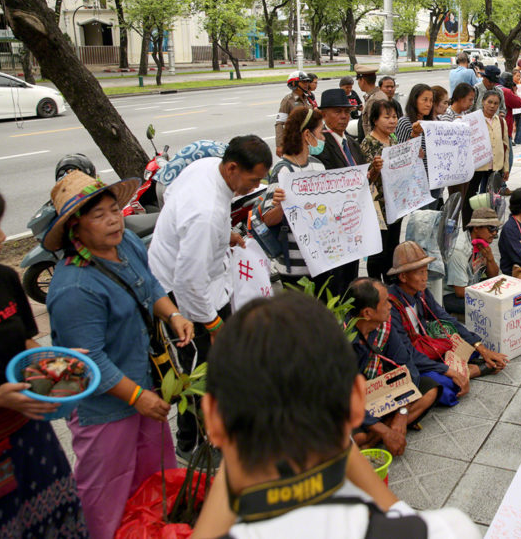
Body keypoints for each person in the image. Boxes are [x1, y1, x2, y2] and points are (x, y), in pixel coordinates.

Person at [194, 292, 481, 538]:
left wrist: (235, 447)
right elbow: (397, 513)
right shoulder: (450, 530)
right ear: (357, 400)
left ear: (214, 422)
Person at [45, 173, 194, 537]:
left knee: (154, 479)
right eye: (100, 215)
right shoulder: (75, 288)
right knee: (105, 494)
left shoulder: (126, 242)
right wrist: (137, 397)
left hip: (144, 385)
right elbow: (90, 359)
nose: (114, 220)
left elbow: (149, 283)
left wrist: (171, 314)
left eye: (115, 210)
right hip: (104, 406)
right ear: (75, 229)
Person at [150, 135, 271, 458]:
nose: (255, 186)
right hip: (185, 298)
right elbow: (189, 283)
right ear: (232, 167)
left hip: (202, 279)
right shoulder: (205, 213)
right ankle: (193, 443)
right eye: (253, 179)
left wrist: (223, 236)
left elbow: (175, 201)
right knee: (200, 372)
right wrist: (215, 325)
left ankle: (222, 426)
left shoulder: (207, 167)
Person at [0, 187, 88, 538]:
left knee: (55, 514)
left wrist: (60, 364)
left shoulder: (3, 279)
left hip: (30, 429)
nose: (1, 237)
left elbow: (26, 345)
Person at [386, 242, 508, 393]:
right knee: (442, 387)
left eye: (426, 272)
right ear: (403, 277)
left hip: (427, 344)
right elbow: (406, 353)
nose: (425, 278)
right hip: (410, 357)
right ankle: (473, 370)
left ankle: (469, 368)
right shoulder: (390, 307)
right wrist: (448, 370)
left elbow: (445, 318)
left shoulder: (420, 292)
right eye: (420, 273)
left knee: (472, 349)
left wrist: (480, 347)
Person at [347, 278, 439, 456]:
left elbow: (409, 368)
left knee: (430, 390)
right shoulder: (342, 339)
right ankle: (381, 435)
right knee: (355, 435)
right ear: (367, 312)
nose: (390, 305)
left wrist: (402, 412)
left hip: (379, 393)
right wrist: (385, 430)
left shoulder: (383, 327)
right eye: (386, 302)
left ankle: (374, 438)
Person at [309, 88, 378, 299]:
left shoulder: (350, 142)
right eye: (338, 112)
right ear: (323, 114)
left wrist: (374, 170)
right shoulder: (320, 146)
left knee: (351, 279)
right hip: (332, 226)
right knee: (334, 283)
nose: (344, 116)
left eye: (347, 112)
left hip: (352, 223)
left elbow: (364, 180)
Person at [258, 107, 327, 287]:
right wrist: (283, 206)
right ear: (307, 134)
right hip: (295, 269)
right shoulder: (283, 170)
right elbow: (268, 219)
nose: (323, 137)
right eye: (320, 131)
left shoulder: (318, 165)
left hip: (321, 262)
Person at [360, 99, 401, 284]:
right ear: (375, 120)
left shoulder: (394, 139)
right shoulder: (368, 143)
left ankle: (391, 285)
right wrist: (375, 169)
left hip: (395, 205)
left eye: (394, 116)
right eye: (387, 117)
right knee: (378, 251)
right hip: (378, 207)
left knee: (393, 248)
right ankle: (376, 285)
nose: (392, 121)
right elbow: (365, 179)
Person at [443, 209, 501, 316]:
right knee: (491, 308)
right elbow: (460, 292)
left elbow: (494, 275)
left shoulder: (482, 243)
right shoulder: (459, 251)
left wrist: (490, 258)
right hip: (451, 295)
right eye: (491, 228)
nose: (494, 233)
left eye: (496, 229)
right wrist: (488, 296)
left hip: (471, 285)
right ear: (476, 228)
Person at [465, 90, 510, 206]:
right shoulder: (473, 121)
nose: (492, 106)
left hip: (495, 166)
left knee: (492, 198)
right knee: (471, 196)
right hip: (478, 167)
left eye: (496, 103)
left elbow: (505, 145)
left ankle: (490, 222)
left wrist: (506, 168)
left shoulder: (501, 121)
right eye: (489, 102)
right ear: (483, 101)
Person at [275, 71, 317, 155]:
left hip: (309, 139)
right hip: (296, 141)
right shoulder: (287, 101)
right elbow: (280, 123)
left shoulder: (308, 99)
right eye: (303, 82)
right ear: (294, 83)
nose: (306, 84)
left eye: (307, 82)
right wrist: (279, 145)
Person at [357, 64, 384, 137]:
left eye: (358, 80)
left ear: (362, 80)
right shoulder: (378, 95)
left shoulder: (373, 100)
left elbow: (371, 127)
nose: (358, 83)